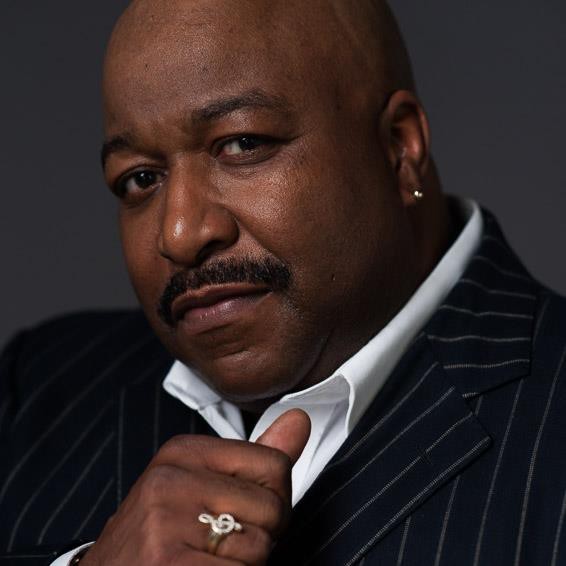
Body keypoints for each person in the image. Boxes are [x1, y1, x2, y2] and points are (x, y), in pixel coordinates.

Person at [1, 1, 565, 565]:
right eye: (140, 178)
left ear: (399, 147)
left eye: (242, 144)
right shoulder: (35, 395)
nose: (180, 233)